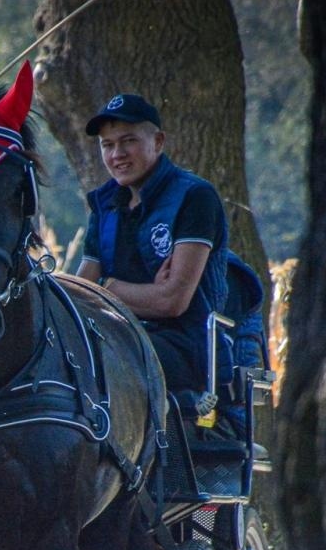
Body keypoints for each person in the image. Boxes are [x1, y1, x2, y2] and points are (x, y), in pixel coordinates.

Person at [76, 93, 229, 414]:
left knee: (98, 363)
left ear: (158, 141)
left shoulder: (194, 196)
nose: (117, 154)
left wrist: (106, 287)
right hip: (116, 333)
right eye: (107, 145)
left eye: (128, 141)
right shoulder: (105, 204)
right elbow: (79, 294)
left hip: (184, 346)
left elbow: (171, 302)